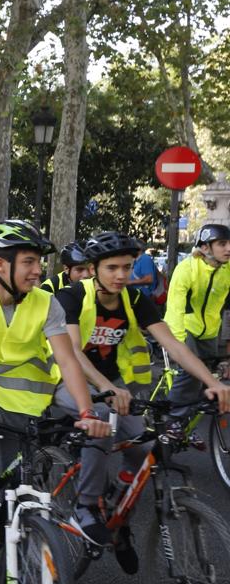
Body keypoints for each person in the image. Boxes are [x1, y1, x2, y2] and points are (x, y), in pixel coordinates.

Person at [0, 220, 110, 547]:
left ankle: (50, 519)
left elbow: (67, 359)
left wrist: (87, 412)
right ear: (0, 264)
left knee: (17, 479)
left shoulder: (46, 302)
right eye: (29, 262)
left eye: (38, 263)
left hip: (26, 391)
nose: (37, 271)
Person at [54, 231, 230, 553]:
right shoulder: (72, 297)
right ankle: (86, 506)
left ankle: (119, 512)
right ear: (93, 269)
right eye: (113, 268)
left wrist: (214, 382)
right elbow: (74, 353)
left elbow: (174, 346)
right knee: (102, 422)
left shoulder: (135, 300)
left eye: (127, 267)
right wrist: (106, 388)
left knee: (144, 447)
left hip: (114, 386)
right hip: (69, 382)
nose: (122, 275)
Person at [164, 223, 230, 416]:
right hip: (185, 330)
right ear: (205, 247)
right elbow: (175, 308)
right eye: (222, 243)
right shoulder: (187, 269)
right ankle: (171, 421)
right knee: (191, 375)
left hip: (209, 332)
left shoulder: (226, 270)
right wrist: (178, 344)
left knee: (208, 377)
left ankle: (190, 418)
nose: (228, 249)